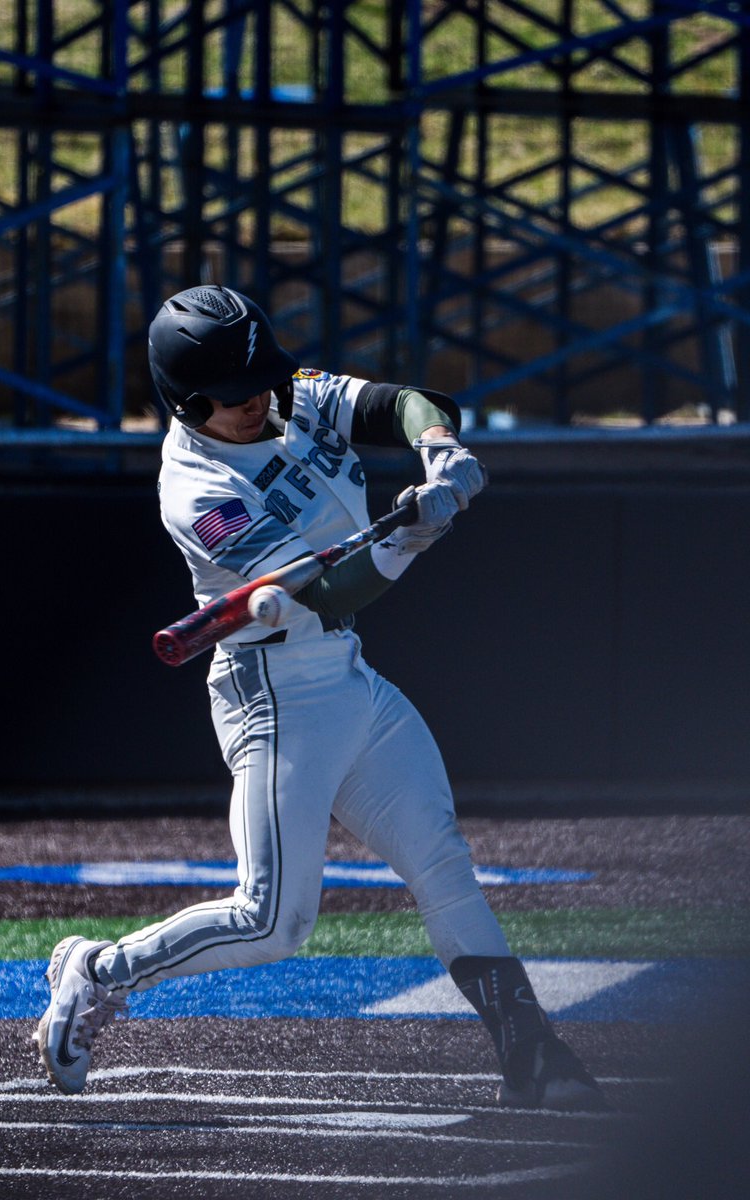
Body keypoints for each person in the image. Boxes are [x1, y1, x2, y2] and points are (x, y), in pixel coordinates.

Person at [34, 284, 608, 1111]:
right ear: (189, 405)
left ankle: (536, 1056)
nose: (261, 401)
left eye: (263, 379)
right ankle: (97, 971)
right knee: (274, 921)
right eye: (236, 398)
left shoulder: (283, 392)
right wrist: (416, 533)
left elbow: (404, 402)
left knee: (443, 863)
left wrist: (437, 448)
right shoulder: (196, 489)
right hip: (272, 696)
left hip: (345, 678)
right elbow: (332, 591)